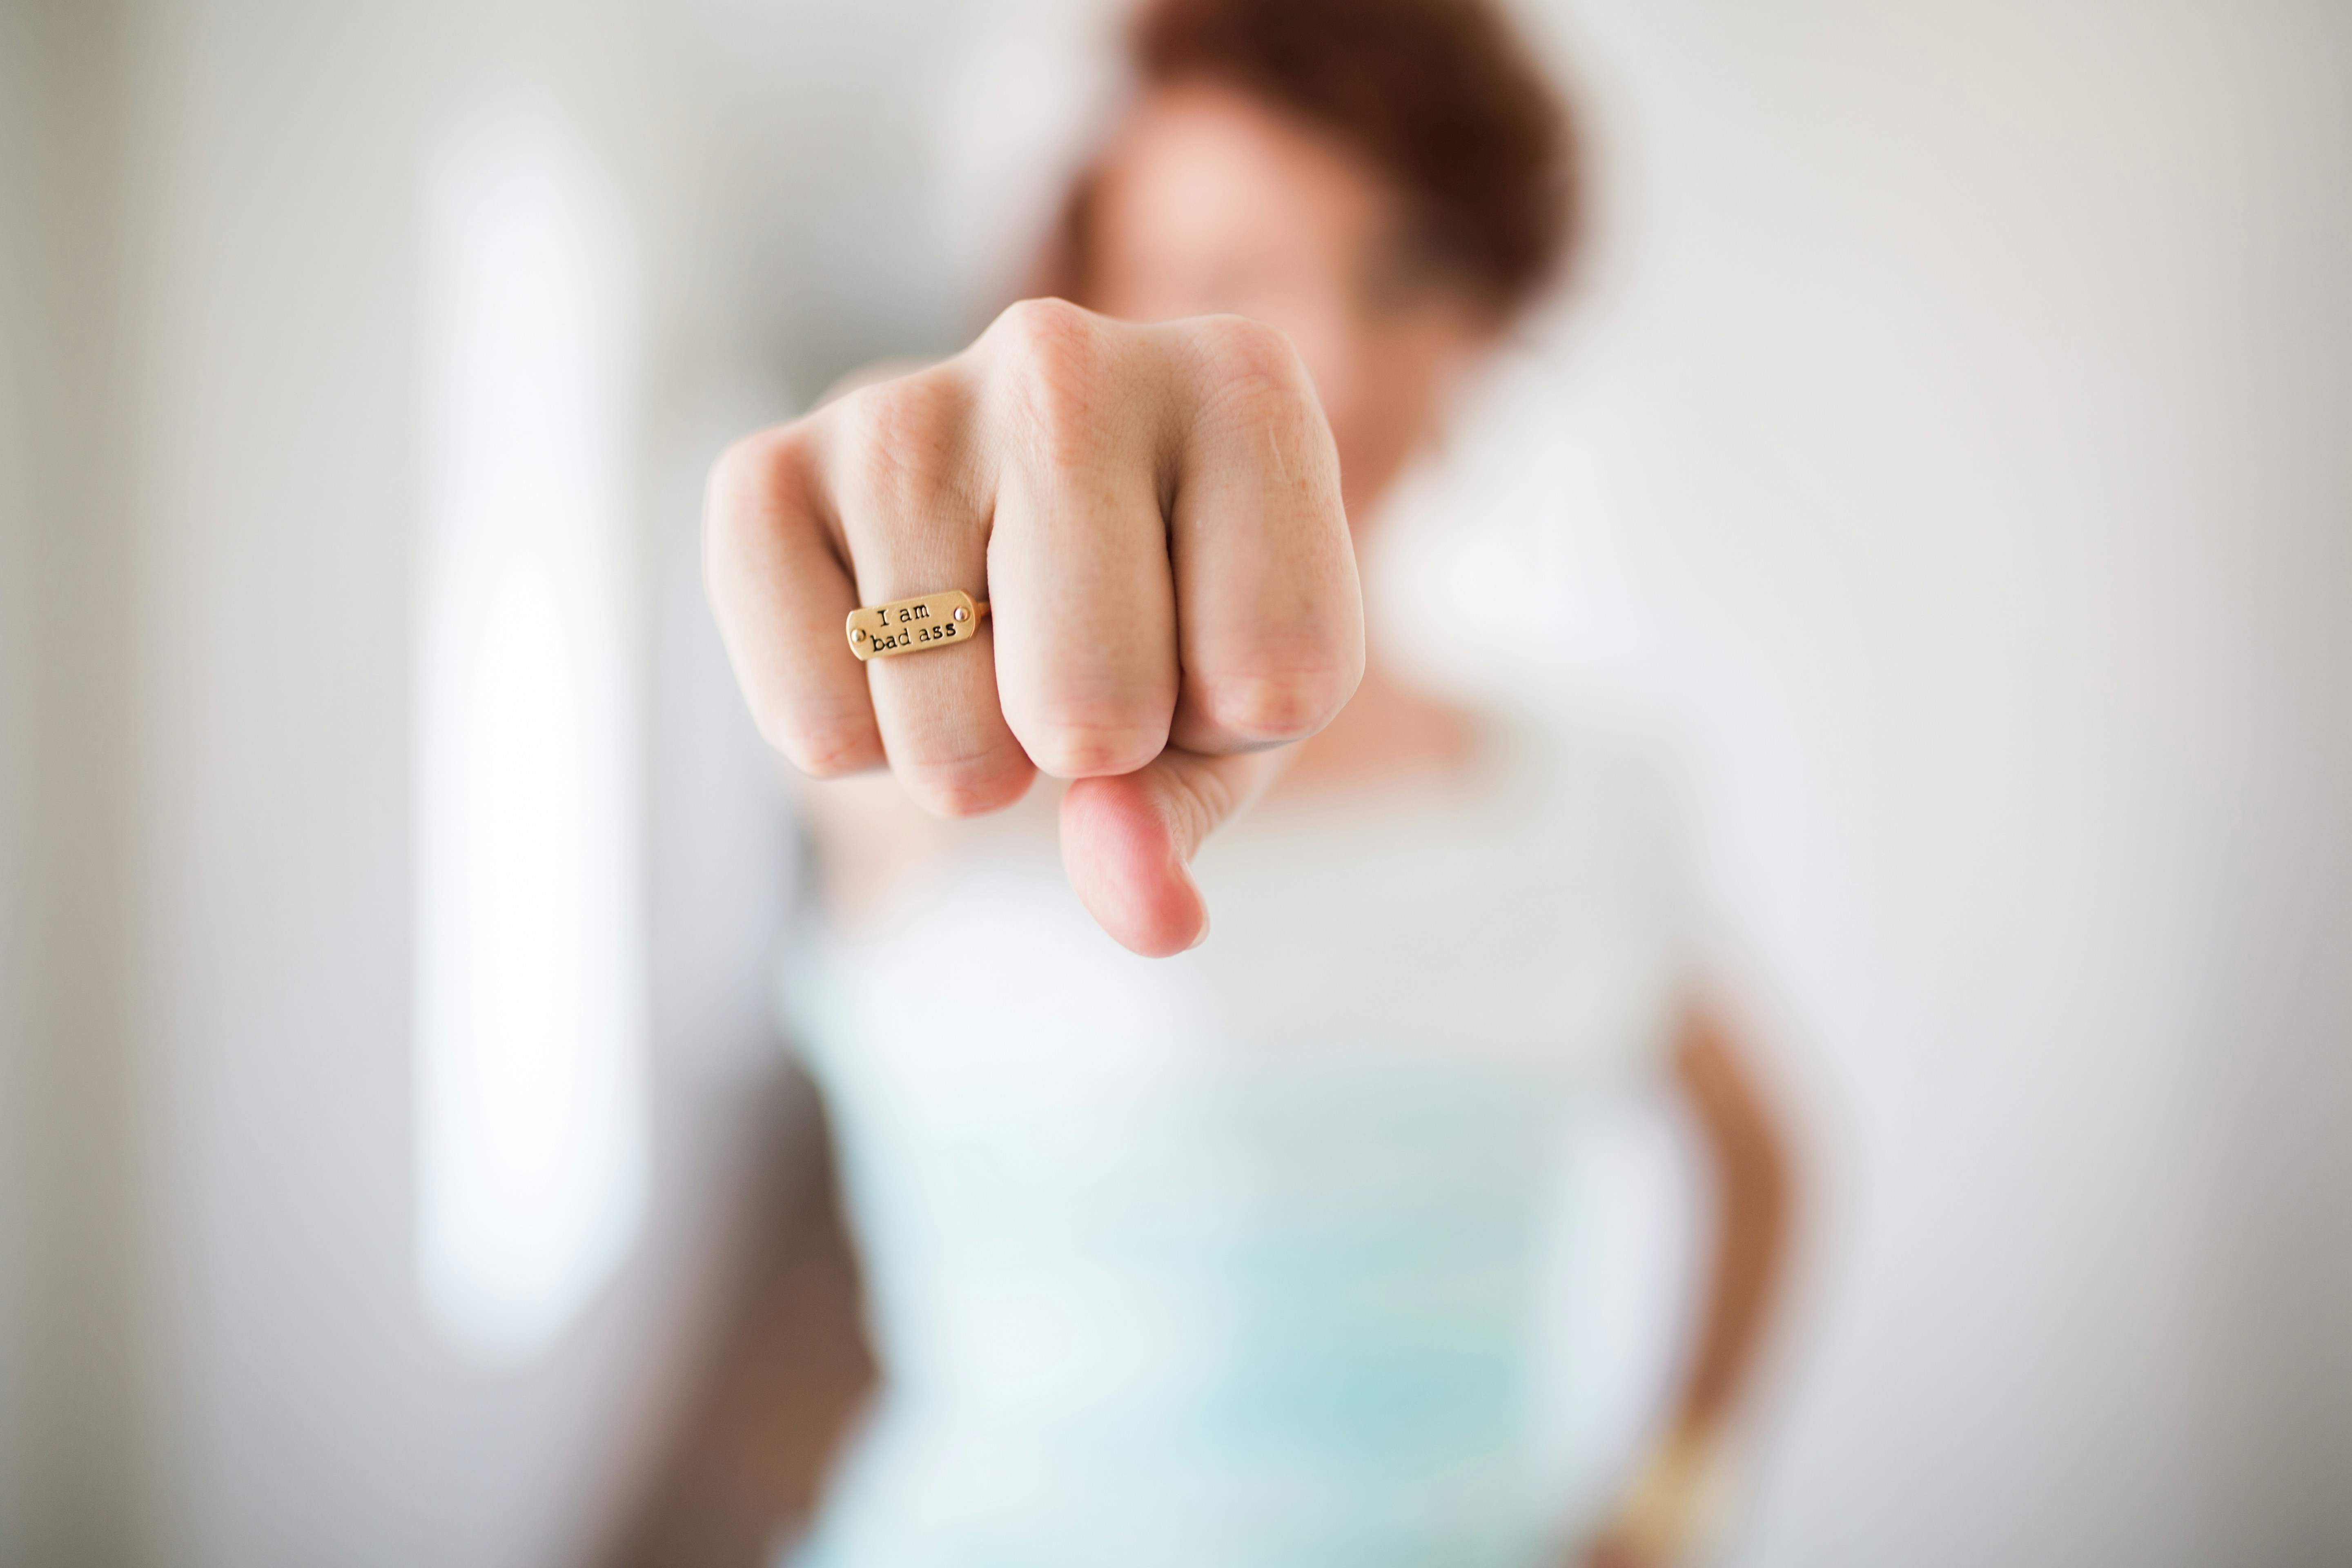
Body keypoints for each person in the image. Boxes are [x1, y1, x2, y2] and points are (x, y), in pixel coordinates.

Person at [697, 1, 1795, 1563]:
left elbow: (1764, 1161)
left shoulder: (1593, 800)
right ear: (1079, 323)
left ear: (1489, 308)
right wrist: (884, 523)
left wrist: (1673, 1501)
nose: (1329, 363)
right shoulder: (963, 769)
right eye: (1222, 283)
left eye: (1404, 269)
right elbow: (865, 750)